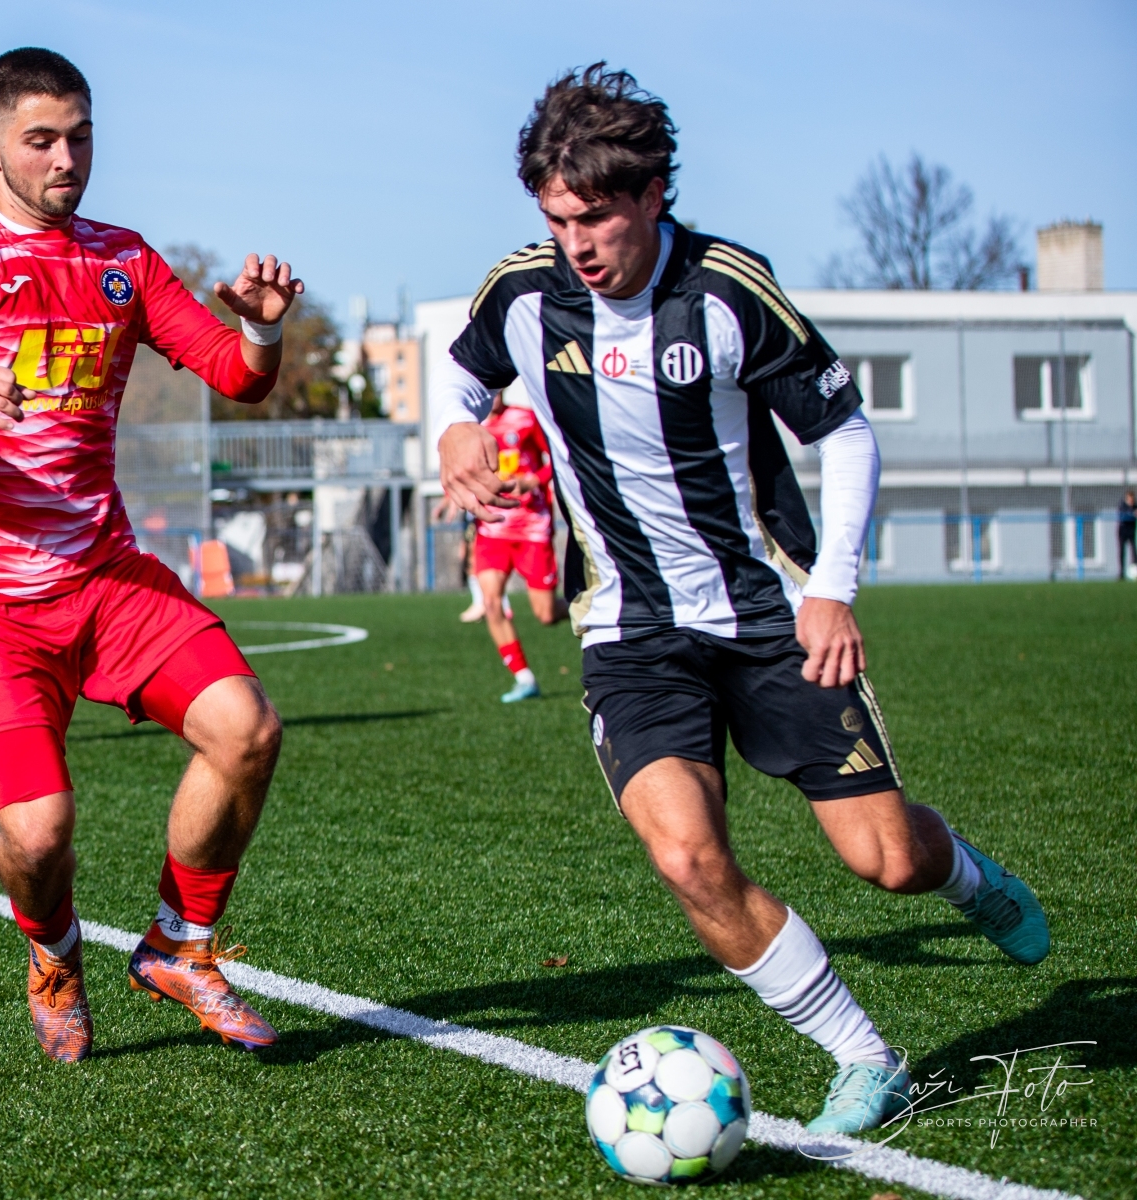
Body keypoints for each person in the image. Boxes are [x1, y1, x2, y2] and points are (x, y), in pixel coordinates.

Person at [433, 65, 1049, 1134]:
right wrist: (453, 427)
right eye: (557, 219)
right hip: (630, 630)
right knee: (686, 855)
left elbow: (844, 434)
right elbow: (461, 374)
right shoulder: (524, 294)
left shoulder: (725, 291)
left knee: (885, 860)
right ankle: (865, 1056)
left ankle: (963, 875)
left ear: (652, 195)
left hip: (769, 617)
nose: (577, 244)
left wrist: (833, 590)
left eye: (597, 217)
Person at [0, 48, 303, 1063]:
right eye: (41, 141)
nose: (66, 159)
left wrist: (260, 332)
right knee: (38, 833)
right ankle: (55, 954)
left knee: (247, 731)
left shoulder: (122, 258)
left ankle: (179, 946)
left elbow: (235, 375)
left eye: (80, 137)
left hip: (104, 577)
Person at [474, 389, 560, 702]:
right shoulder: (471, 427)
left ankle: (590, 606)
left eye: (495, 388)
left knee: (546, 614)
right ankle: (524, 678)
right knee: (491, 602)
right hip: (492, 529)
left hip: (531, 528)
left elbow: (558, 458)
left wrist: (532, 481)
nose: (492, 394)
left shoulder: (525, 418)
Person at [1119, 489, 1135, 579]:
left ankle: (1134, 569)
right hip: (1123, 531)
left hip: (1131, 530)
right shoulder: (1122, 505)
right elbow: (1122, 516)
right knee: (1122, 551)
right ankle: (1121, 572)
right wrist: (1132, 513)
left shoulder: (1135, 506)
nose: (1131, 501)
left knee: (1134, 551)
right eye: (1130, 499)